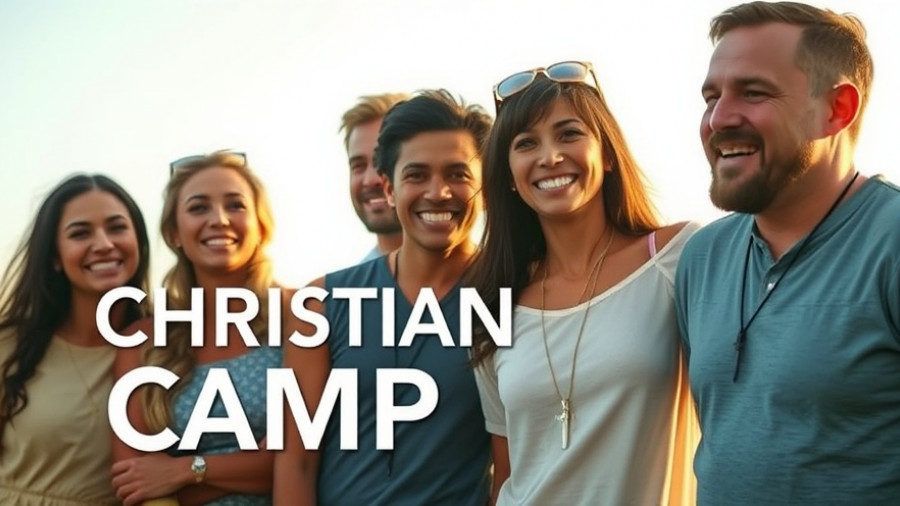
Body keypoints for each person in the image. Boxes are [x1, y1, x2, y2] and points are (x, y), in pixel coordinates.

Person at [675, 2, 899, 503]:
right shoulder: (702, 257)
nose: (718, 119)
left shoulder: (891, 243)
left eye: (753, 93)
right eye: (711, 97)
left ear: (836, 109)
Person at [467, 61, 698, 505]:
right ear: (510, 177)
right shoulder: (492, 308)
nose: (549, 156)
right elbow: (507, 472)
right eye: (526, 143)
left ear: (607, 154)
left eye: (569, 133)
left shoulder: (678, 257)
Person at [274, 90, 493, 505]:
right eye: (416, 175)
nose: (438, 192)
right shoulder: (321, 302)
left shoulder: (512, 298)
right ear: (389, 188)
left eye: (457, 174)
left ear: (485, 186)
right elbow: (296, 460)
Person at [111, 151, 281, 505]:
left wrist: (183, 471)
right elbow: (136, 480)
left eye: (235, 205)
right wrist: (251, 468)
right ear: (174, 232)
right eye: (198, 207)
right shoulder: (142, 342)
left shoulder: (300, 317)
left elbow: (304, 459)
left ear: (261, 225)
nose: (219, 219)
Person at [0, 174, 151, 505]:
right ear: (54, 256)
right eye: (80, 233)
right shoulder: (9, 345)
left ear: (139, 243)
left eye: (116, 228)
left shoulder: (168, 347)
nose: (103, 244)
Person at [340, 93, 410, 262]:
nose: (371, 180)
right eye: (358, 165)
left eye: (384, 161)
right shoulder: (349, 286)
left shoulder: (479, 278)